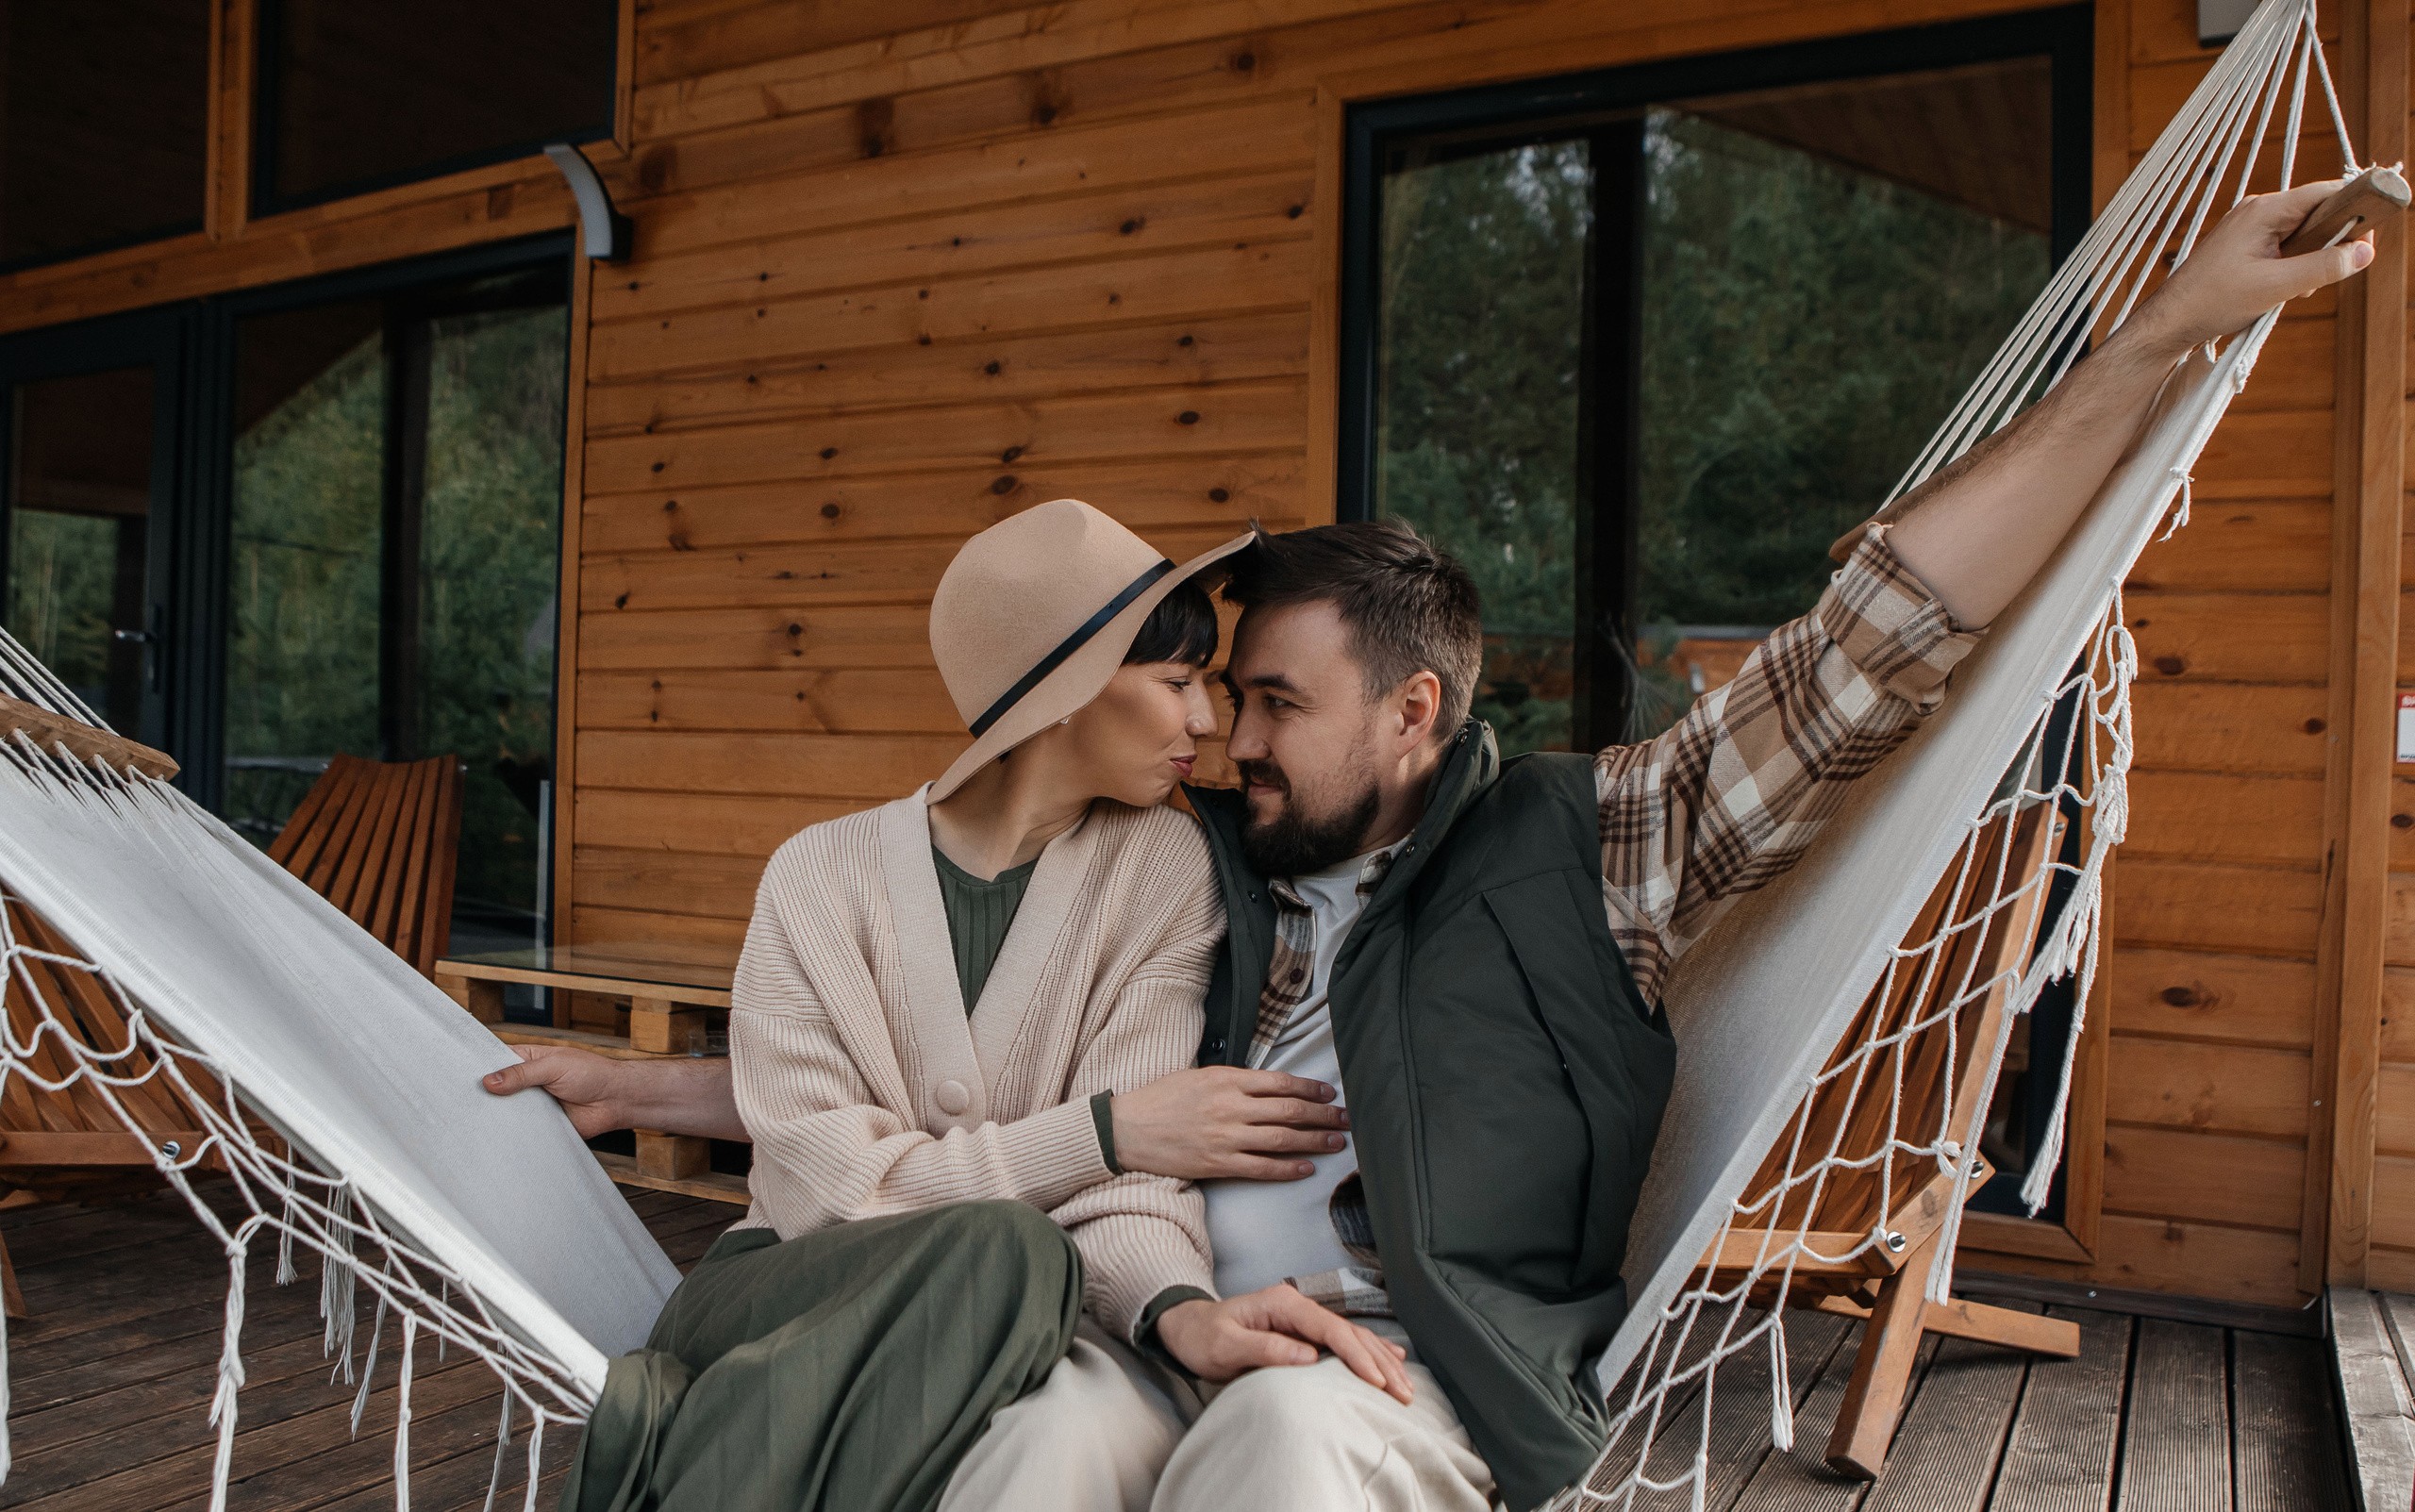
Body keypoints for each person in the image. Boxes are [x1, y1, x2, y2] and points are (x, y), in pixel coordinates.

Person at [501, 183, 2373, 1512]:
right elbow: (961, 1053)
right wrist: (659, 1080)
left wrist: (2154, 344)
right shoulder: (1192, 869)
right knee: (1025, 1456)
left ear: (1413, 713)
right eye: (1218, 697)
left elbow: (1866, 654)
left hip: (1374, 1373)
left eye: (1271, 706)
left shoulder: (1593, 848)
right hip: (1141, 1317)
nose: (1229, 737)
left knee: (1282, 1463)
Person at [558, 499, 1407, 1512]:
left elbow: (1133, 1173)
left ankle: (677, 1452)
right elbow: (835, 1194)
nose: (1207, 721)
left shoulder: (1165, 870)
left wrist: (1172, 1302)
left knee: (1014, 1267)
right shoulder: (818, 875)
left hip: (990, 1314)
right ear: (1064, 689)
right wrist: (1099, 1132)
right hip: (777, 1289)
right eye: (1177, 681)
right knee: (1012, 1249)